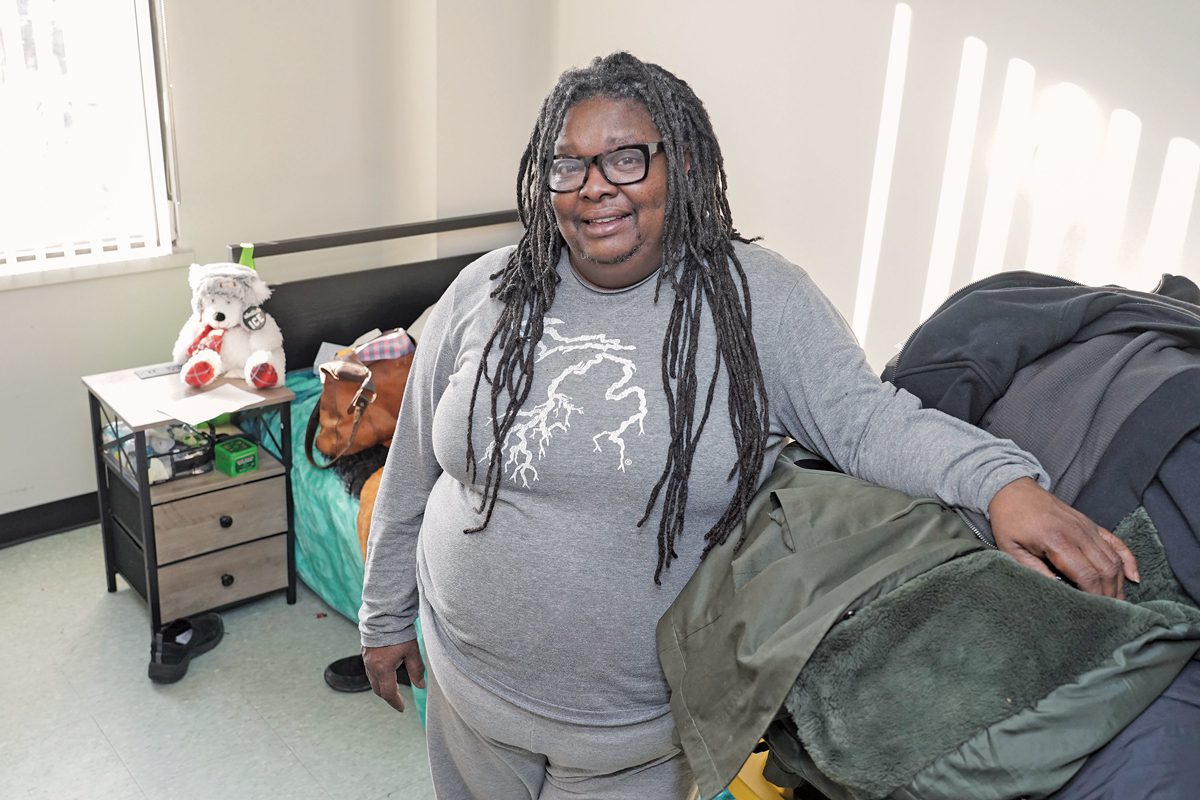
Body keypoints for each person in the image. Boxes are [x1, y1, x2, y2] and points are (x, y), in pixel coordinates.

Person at [359, 51, 1139, 799]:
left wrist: (1002, 483)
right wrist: (385, 614)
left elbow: (867, 423)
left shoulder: (757, 301)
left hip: (635, 734)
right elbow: (413, 469)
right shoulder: (485, 289)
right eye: (569, 165)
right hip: (465, 685)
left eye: (627, 158)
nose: (595, 187)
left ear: (684, 165)